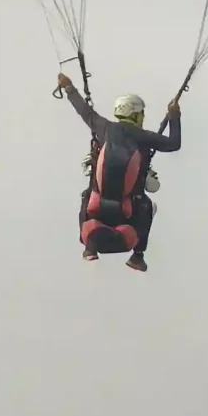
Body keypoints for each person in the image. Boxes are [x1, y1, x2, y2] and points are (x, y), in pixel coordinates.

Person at [56, 75, 180, 271]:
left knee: (86, 195)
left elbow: (84, 111)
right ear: (136, 115)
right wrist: (175, 117)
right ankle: (138, 256)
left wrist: (69, 88)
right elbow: (174, 144)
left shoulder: (104, 127)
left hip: (97, 202)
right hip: (128, 207)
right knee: (147, 205)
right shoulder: (144, 137)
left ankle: (89, 247)